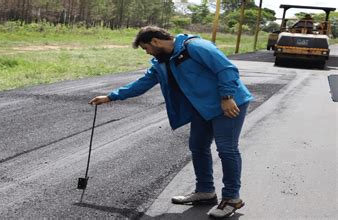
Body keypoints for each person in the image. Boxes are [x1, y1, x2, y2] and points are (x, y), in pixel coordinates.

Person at [89, 26, 253, 218]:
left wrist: (226, 96)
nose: (147, 52)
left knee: (227, 149)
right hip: (202, 108)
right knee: (198, 147)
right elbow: (142, 83)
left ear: (156, 41)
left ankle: (232, 198)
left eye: (146, 48)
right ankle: (205, 191)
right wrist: (110, 97)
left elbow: (226, 68)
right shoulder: (163, 62)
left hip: (229, 103)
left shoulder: (196, 46)